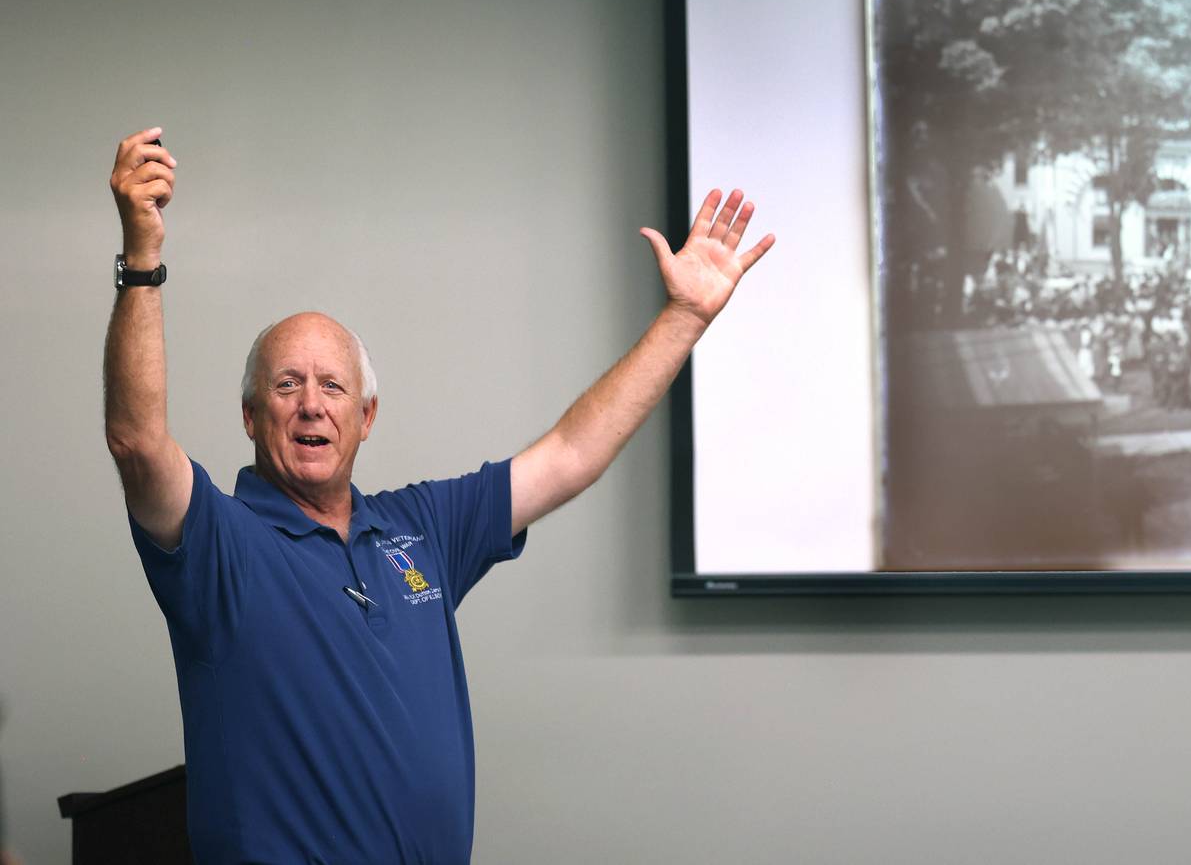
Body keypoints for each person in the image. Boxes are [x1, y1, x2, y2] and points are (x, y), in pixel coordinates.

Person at [103, 127, 774, 864]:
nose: (311, 405)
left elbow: (572, 454)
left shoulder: (418, 527)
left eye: (333, 386)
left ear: (367, 418)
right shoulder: (220, 543)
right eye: (286, 385)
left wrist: (683, 319)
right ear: (250, 416)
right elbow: (138, 441)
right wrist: (142, 261)